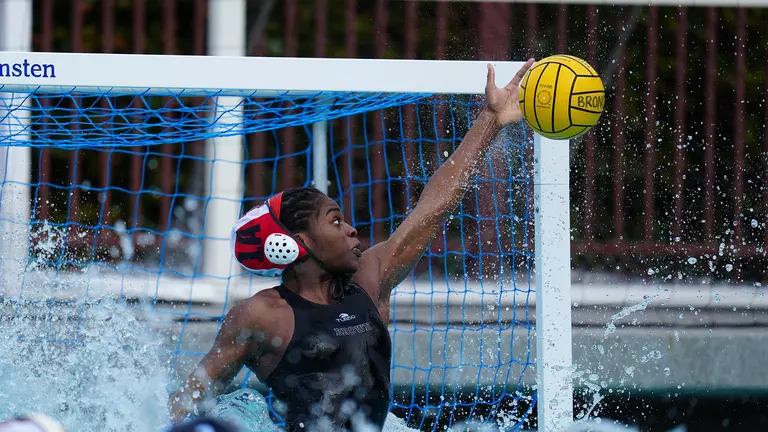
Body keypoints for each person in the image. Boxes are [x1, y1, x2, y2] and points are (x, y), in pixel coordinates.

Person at [168, 59, 535, 432]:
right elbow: (187, 402)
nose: (352, 230)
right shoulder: (260, 315)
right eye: (335, 221)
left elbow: (433, 208)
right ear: (295, 244)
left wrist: (491, 119)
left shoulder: (370, 279)